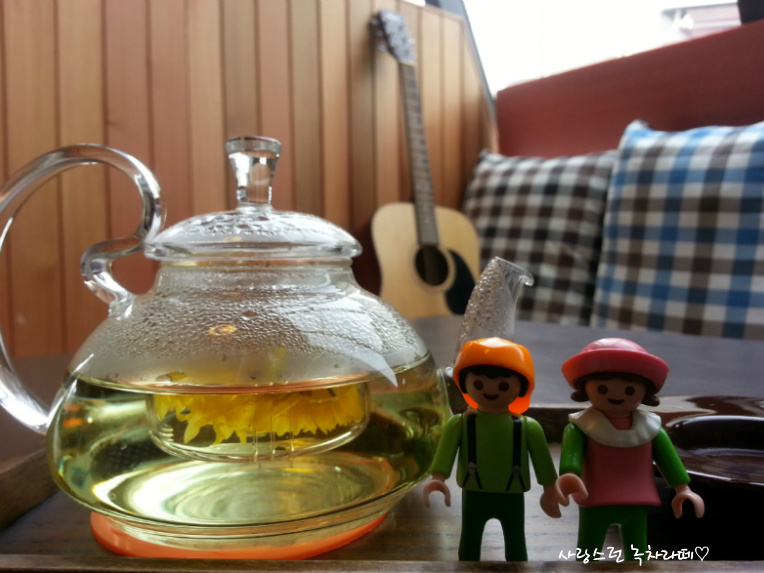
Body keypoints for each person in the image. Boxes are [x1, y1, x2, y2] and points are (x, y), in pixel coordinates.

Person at [555, 338, 704, 561]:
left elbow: (668, 460)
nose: (617, 395)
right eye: (602, 388)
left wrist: (683, 488)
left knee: (637, 552)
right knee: (588, 552)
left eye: (630, 389)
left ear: (645, 391)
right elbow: (571, 458)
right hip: (595, 496)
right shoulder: (580, 427)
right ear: (585, 388)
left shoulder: (651, 429)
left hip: (637, 498)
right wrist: (569, 474)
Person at [423, 337, 561, 561]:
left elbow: (542, 461)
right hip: (474, 493)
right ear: (464, 384)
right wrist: (438, 478)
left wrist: (550, 490)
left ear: (521, 387)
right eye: (478, 384)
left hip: (512, 494)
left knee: (516, 542)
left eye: (503, 385)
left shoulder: (529, 427)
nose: (490, 390)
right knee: (469, 542)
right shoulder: (460, 424)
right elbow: (446, 452)